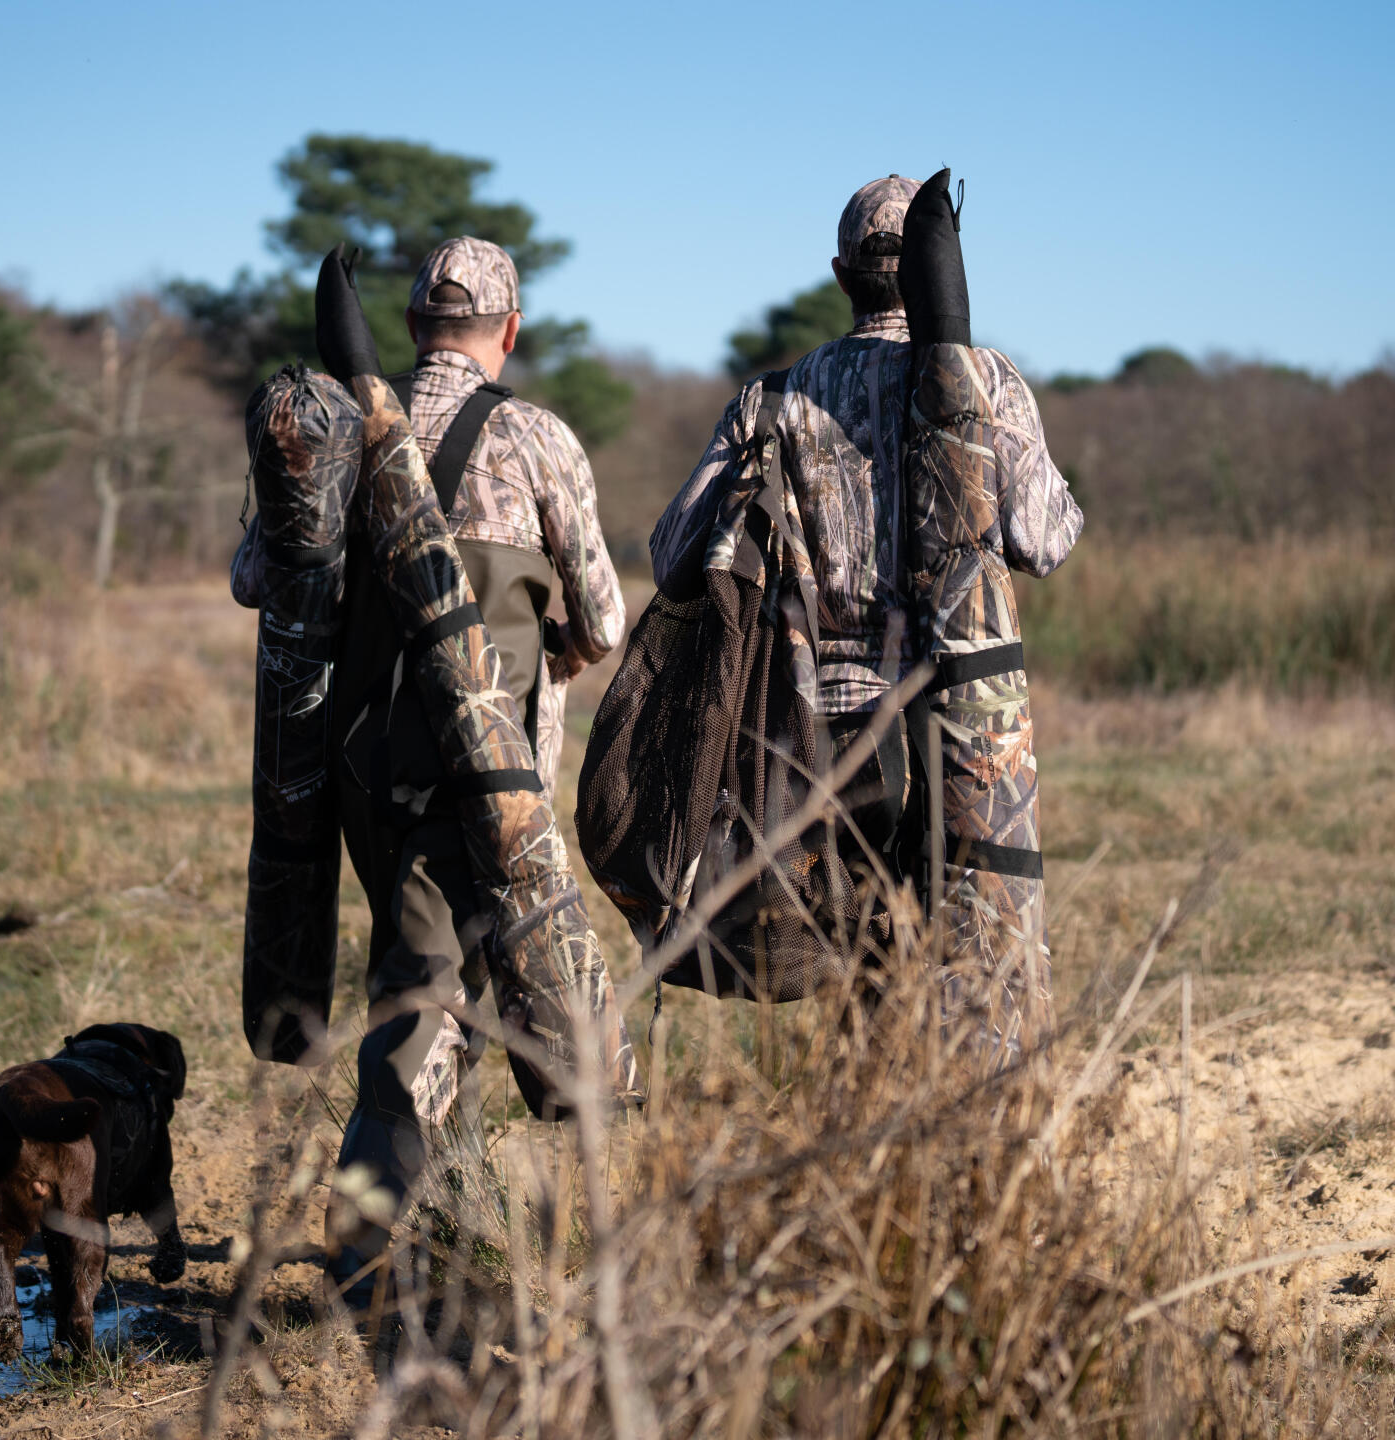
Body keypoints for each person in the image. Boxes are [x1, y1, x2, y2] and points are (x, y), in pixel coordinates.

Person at [647, 175, 1083, 1027]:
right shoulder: (986, 378)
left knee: (860, 975)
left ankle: (864, 1143)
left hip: (817, 736)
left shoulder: (768, 401)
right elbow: (1047, 540)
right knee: (969, 975)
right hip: (966, 731)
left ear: (842, 276)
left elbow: (673, 557)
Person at [322, 237, 626, 1300]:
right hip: (487, 785)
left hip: (362, 773)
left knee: (441, 984)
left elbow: (256, 576)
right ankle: (362, 1256)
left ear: (413, 330)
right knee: (425, 1006)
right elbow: (602, 616)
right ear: (509, 330)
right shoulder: (535, 437)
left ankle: (446, 1227)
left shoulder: (334, 431)